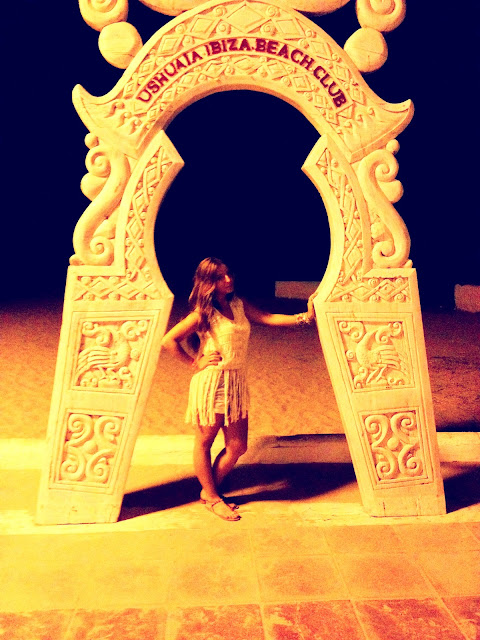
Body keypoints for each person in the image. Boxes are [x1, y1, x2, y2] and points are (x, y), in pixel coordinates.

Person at [161, 257, 317, 521]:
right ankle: (213, 497)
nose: (228, 279)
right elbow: (169, 340)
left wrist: (305, 317)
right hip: (211, 382)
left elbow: (268, 317)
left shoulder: (238, 304)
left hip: (236, 382)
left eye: (228, 274)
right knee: (205, 441)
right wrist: (194, 363)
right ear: (208, 282)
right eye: (220, 277)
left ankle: (208, 490)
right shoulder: (202, 314)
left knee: (237, 445)